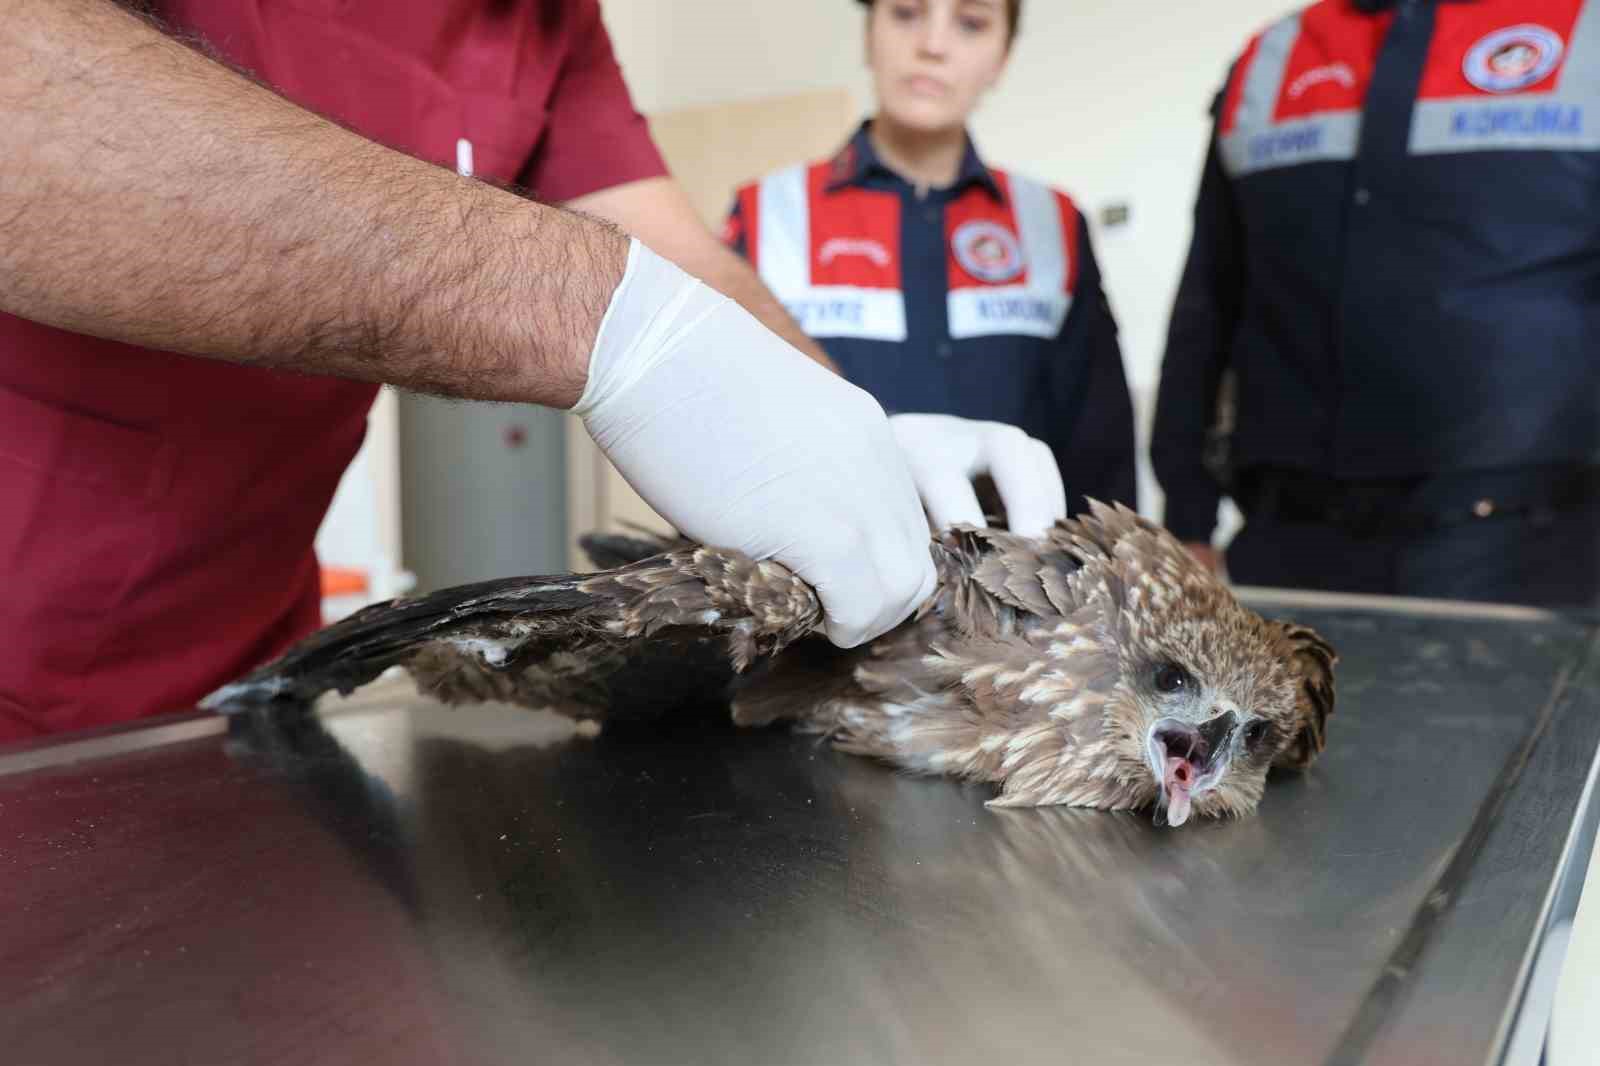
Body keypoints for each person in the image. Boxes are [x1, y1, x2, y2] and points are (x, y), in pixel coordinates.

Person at [0, 0, 1068, 741]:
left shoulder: (547, 25)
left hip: (240, 677)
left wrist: (851, 427)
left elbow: (677, 253)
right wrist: (601, 318)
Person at [1153, 0, 1600, 606]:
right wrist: (1186, 516)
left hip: (1535, 552)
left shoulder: (1584, 32)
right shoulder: (1272, 60)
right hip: (1291, 544)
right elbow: (1210, 301)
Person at [724, 0, 1137, 524]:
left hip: (1022, 587)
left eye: (971, 23)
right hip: (812, 579)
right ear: (868, 33)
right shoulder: (767, 215)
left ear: (1002, 58)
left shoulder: (1053, 223)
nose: (933, 45)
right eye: (906, 13)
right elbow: (726, 431)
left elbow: (1100, 449)